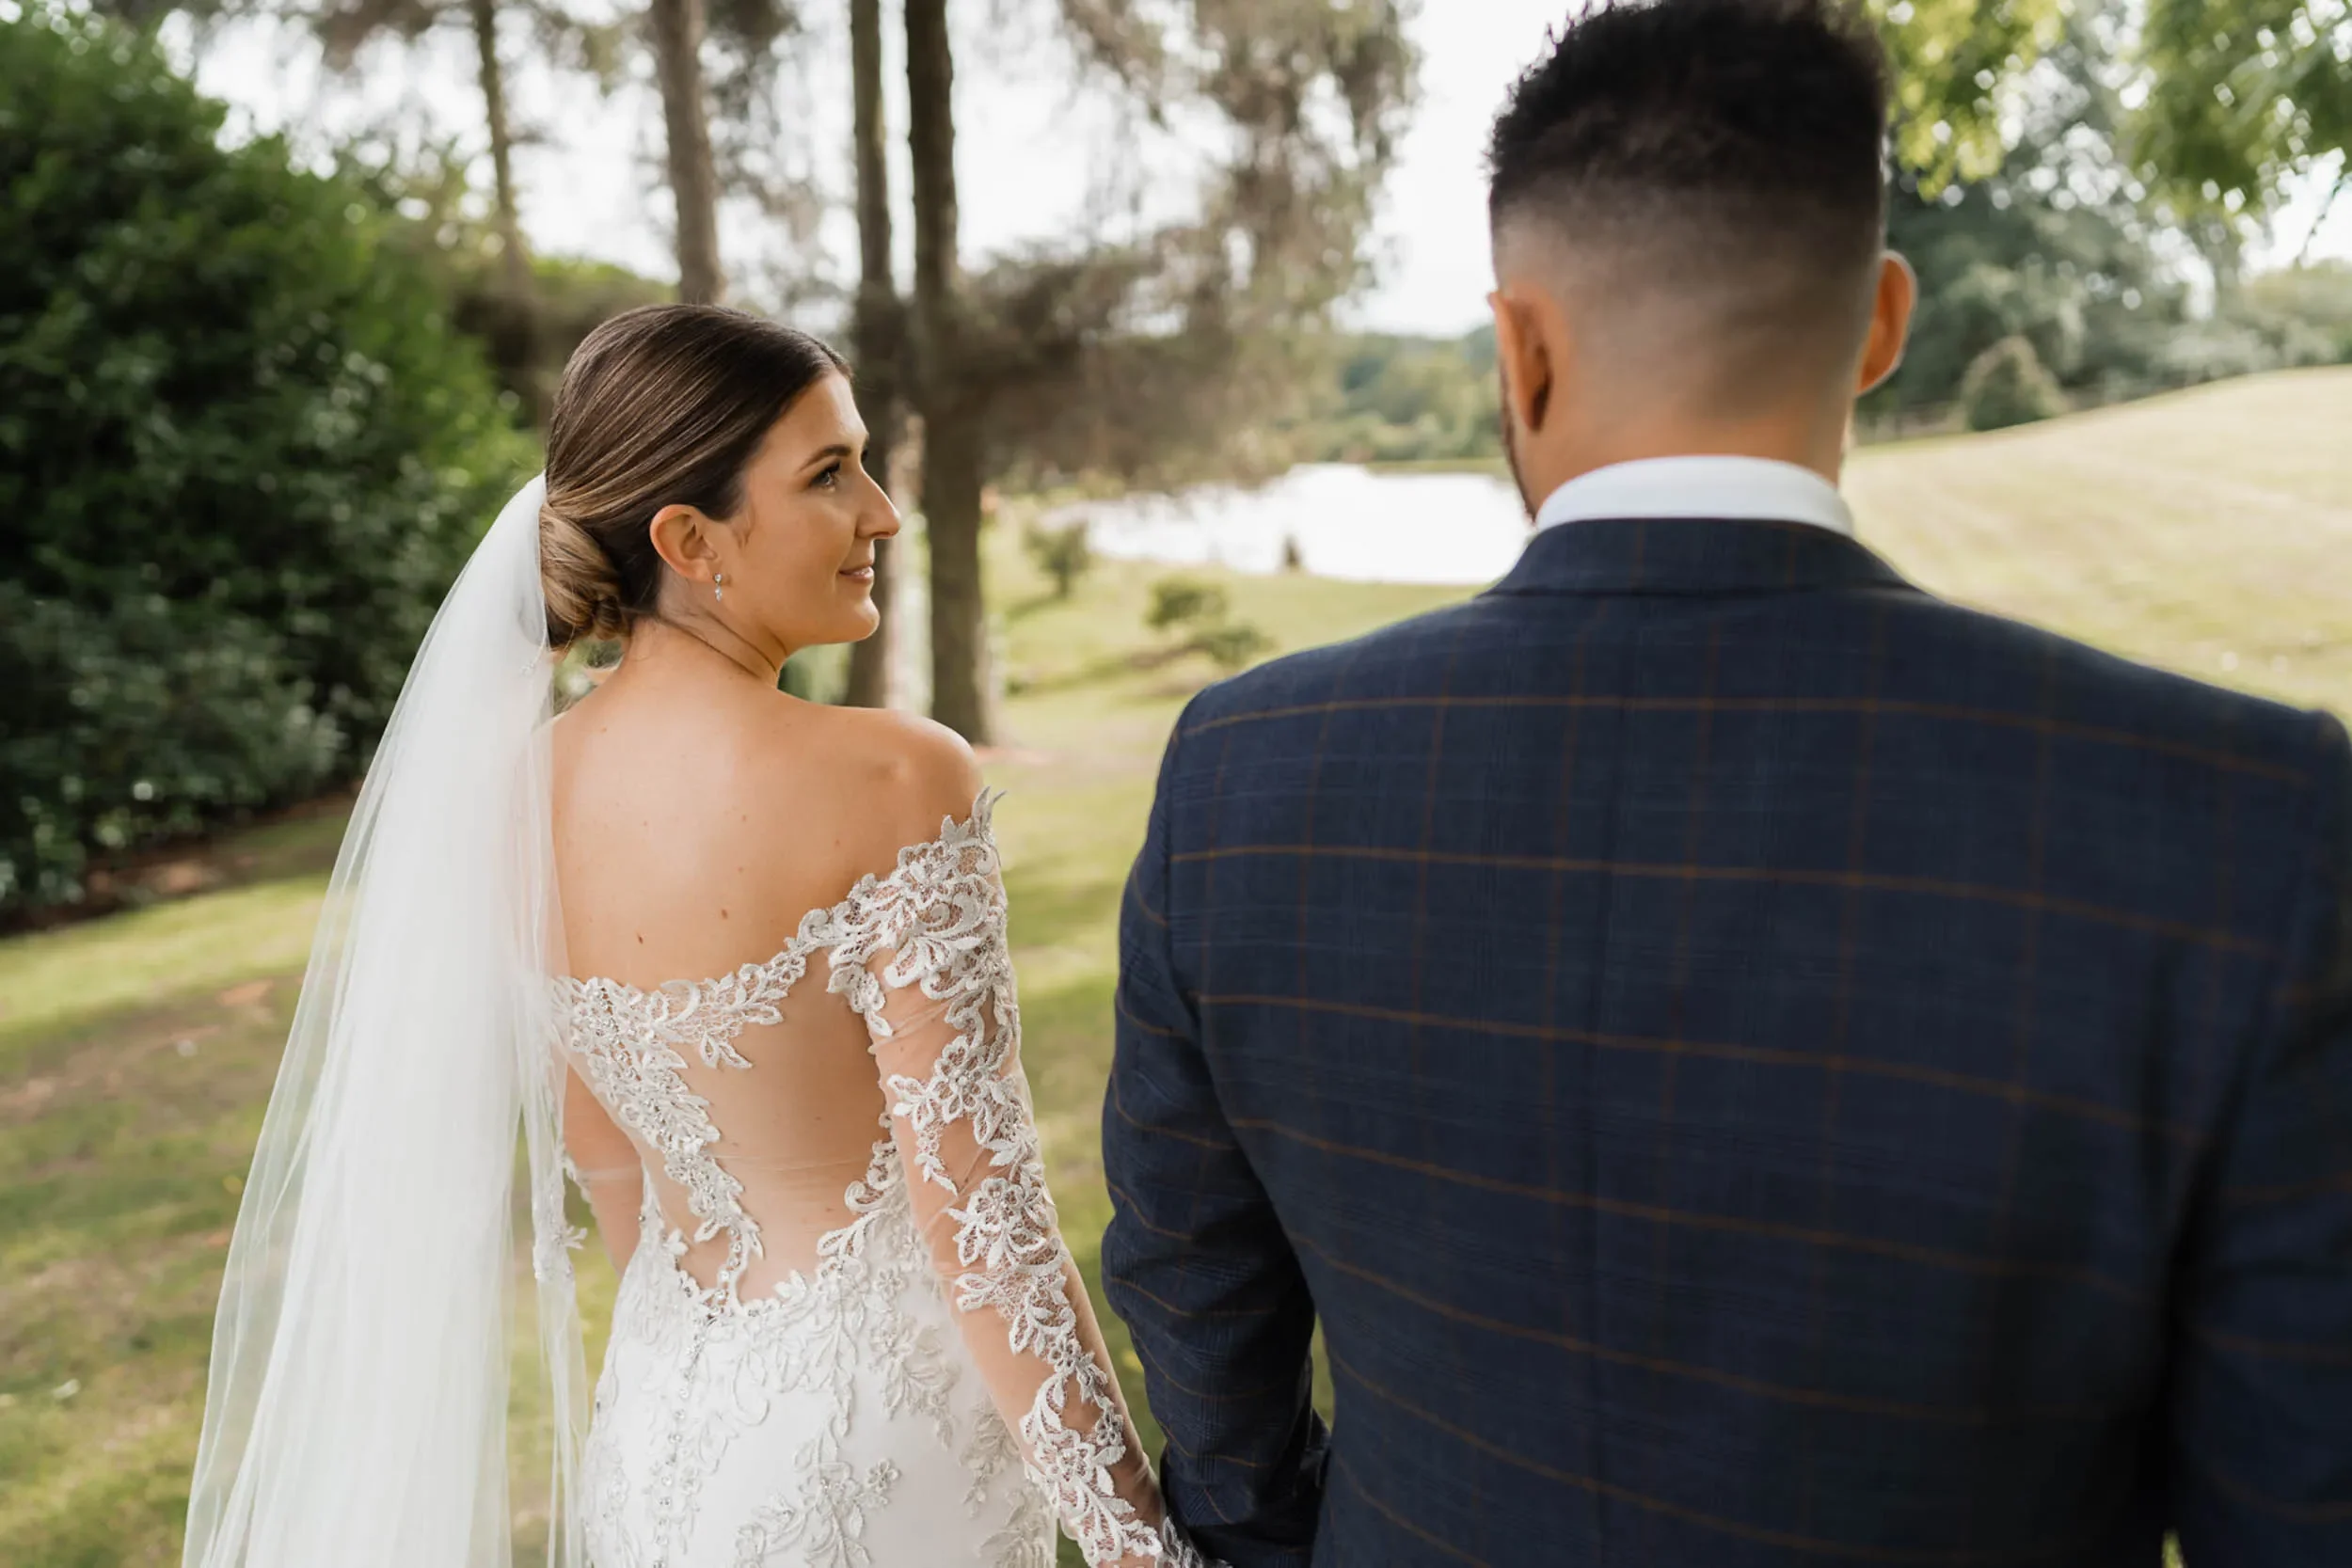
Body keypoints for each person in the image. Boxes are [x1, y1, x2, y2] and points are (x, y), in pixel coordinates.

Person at [1100, 2, 2352, 1564]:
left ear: (1522, 346)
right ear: (1884, 323)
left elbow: (1194, 1310)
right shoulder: (2243, 816)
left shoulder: (1241, 777)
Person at [183, 306, 1208, 1568]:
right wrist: (1136, 1542)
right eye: (829, 474)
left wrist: (702, 1385)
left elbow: (610, 1170)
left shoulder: (511, 801)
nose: (882, 511)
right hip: (878, 1453)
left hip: (664, 1432)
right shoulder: (895, 777)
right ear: (689, 538)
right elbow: (985, 1226)